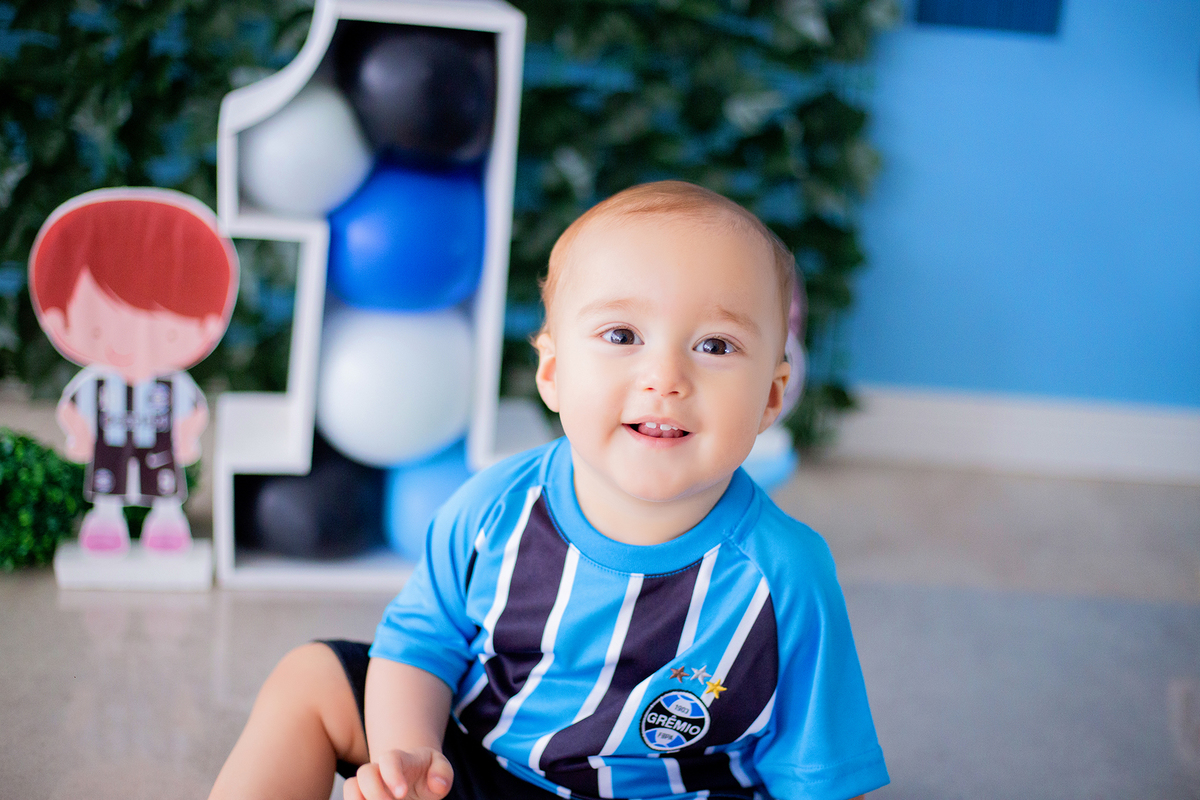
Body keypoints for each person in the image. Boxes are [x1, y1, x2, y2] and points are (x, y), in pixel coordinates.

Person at [209, 181, 888, 800]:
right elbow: (419, 644)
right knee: (314, 679)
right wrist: (407, 756)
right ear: (555, 373)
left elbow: (818, 776)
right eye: (622, 335)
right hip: (485, 768)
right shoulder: (495, 508)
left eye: (714, 345)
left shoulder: (784, 575)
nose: (665, 376)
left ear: (773, 397)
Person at [29, 188, 238, 554]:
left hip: (158, 448)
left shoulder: (172, 385)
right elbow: (72, 408)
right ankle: (107, 521)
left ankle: (167, 523)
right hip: (109, 445)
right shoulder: (95, 383)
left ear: (206, 326)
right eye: (97, 329)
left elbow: (195, 411)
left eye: (168, 330)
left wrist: (187, 437)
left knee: (164, 487)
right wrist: (79, 435)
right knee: (108, 486)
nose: (125, 344)